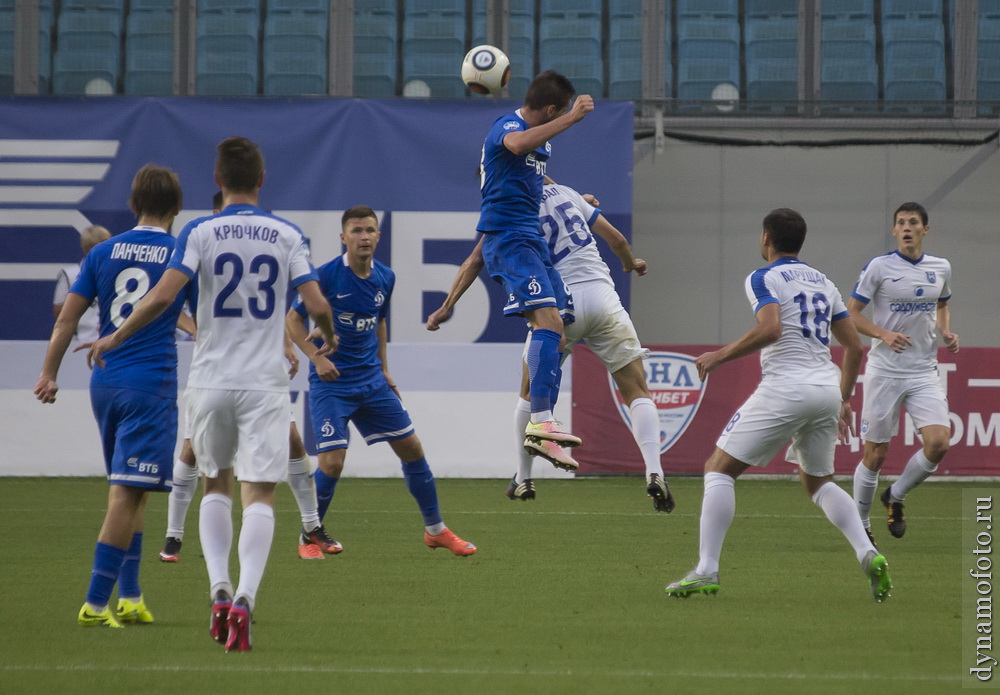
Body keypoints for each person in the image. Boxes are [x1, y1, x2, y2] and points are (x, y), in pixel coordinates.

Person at [87, 137, 336, 652]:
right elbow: (314, 300)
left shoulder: (200, 230)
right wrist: (325, 332)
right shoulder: (287, 233)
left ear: (217, 182)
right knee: (260, 494)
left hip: (211, 381)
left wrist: (115, 334)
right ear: (262, 180)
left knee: (215, 485)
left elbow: (161, 295)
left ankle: (218, 586)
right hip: (264, 383)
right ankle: (245, 596)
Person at [664, 208, 892, 602]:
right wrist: (844, 398)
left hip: (787, 386)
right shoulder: (824, 281)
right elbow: (854, 346)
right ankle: (867, 552)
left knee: (718, 470)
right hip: (825, 390)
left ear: (766, 239)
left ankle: (706, 569)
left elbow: (772, 329)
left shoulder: (762, 276)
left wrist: (718, 356)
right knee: (818, 482)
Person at [427, 181, 673, 511]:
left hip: (557, 305)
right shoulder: (569, 195)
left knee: (529, 392)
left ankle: (524, 477)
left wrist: (447, 305)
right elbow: (617, 239)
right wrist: (630, 263)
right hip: (603, 300)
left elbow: (474, 262)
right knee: (636, 390)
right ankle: (655, 471)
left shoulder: (506, 209)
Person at [35, 164, 193, 628]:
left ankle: (131, 596)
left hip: (103, 382)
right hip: (150, 383)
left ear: (132, 203)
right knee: (127, 494)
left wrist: (49, 373)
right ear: (178, 207)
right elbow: (179, 306)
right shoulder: (182, 252)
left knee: (131, 491)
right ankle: (95, 602)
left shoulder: (102, 252)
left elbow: (66, 319)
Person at [286, 206, 477, 557]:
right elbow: (292, 321)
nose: (364, 236)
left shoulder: (386, 277)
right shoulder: (325, 276)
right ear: (343, 238)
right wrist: (316, 357)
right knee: (332, 462)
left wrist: (385, 369)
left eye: (370, 230)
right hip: (333, 383)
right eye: (356, 231)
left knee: (412, 449)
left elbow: (379, 323)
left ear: (378, 235)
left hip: (371, 379)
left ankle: (435, 531)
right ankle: (309, 536)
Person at [160, 193, 338, 564]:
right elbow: (170, 302)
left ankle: (312, 524)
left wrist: (286, 345)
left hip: (255, 369)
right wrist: (197, 328)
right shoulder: (206, 241)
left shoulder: (207, 236)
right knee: (200, 454)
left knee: (290, 443)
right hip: (222, 371)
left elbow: (267, 310)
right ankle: (174, 534)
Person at [476, 70, 594, 471]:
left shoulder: (535, 147)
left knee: (561, 322)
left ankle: (543, 425)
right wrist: (573, 119)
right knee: (546, 322)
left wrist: (576, 197)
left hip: (532, 240)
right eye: (557, 115)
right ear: (550, 110)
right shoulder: (507, 126)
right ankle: (542, 422)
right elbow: (518, 142)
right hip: (509, 239)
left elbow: (538, 174)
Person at [848, 202, 958, 544]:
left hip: (924, 371)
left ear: (926, 229)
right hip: (884, 372)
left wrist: (945, 331)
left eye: (913, 222)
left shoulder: (941, 267)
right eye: (901, 223)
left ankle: (895, 495)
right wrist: (882, 334)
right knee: (875, 454)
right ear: (894, 231)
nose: (907, 227)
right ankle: (862, 525)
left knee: (939, 443)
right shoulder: (879, 267)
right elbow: (851, 313)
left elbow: (942, 303)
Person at [53, 224, 111, 343]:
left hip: (111, 340)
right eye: (109, 242)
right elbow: (60, 311)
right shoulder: (70, 274)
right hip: (80, 341)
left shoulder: (116, 271)